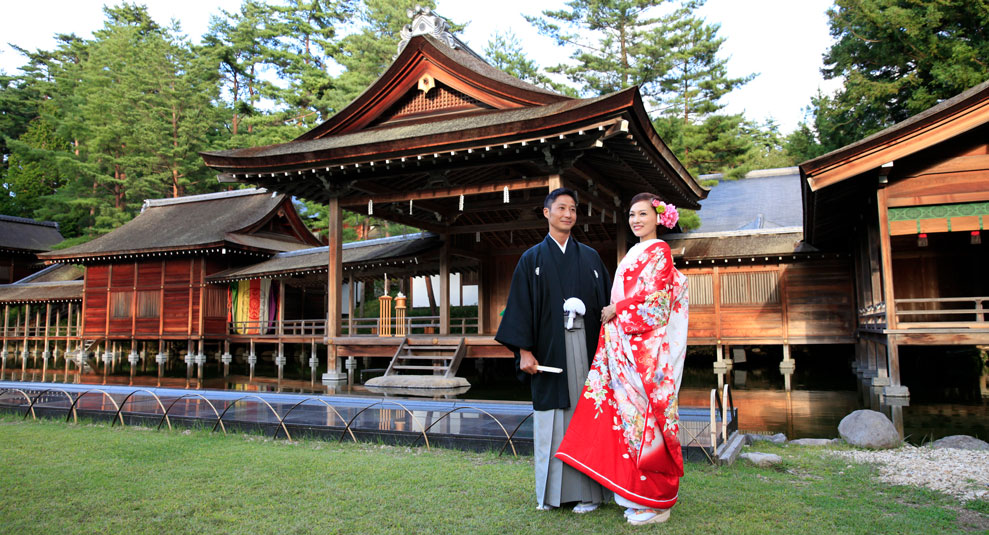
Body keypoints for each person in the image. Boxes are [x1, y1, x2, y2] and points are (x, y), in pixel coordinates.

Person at [554, 192, 689, 526]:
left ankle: (658, 502)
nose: (636, 220)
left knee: (647, 424)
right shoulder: (634, 251)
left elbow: (656, 304)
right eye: (632, 214)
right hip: (625, 347)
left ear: (659, 218)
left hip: (645, 353)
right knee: (627, 423)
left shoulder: (661, 251)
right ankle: (635, 494)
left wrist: (619, 309)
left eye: (643, 214)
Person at [495, 187, 612, 513]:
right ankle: (550, 496)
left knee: (585, 419)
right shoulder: (531, 259)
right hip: (547, 351)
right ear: (547, 213)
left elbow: (608, 304)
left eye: (573, 209)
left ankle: (588, 495)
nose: (568, 214)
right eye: (561, 208)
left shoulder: (590, 258)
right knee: (551, 422)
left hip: (586, 349)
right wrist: (524, 352)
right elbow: (519, 308)